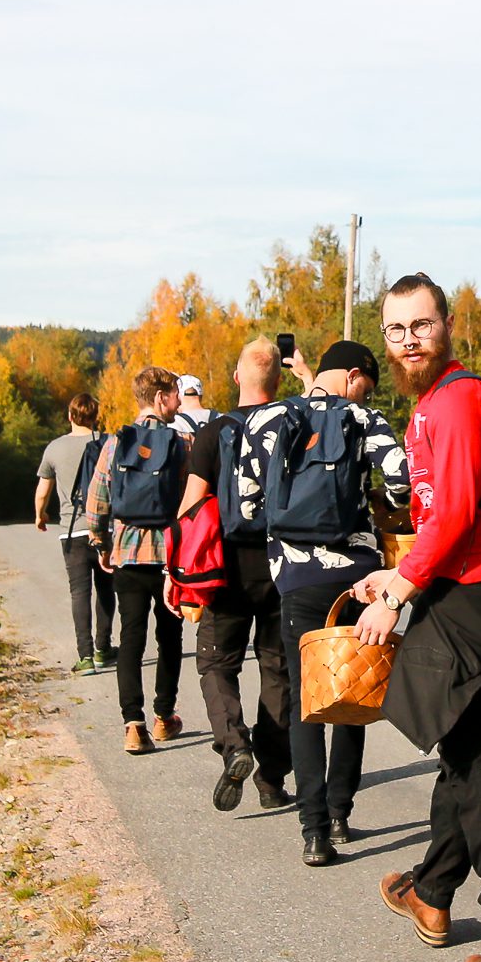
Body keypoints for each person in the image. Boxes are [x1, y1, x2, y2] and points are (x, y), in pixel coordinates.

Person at [362, 273, 481, 962]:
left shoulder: (461, 399)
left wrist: (399, 591)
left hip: (477, 601)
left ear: (447, 325)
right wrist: (395, 575)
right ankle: (431, 892)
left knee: (478, 766)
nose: (410, 340)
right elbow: (442, 516)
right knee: (465, 748)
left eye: (421, 324)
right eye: (396, 330)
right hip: (467, 591)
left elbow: (460, 511)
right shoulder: (433, 404)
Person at [234, 339, 408, 865]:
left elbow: (246, 504)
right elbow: (404, 483)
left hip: (296, 578)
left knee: (308, 699)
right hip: (359, 578)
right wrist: (374, 502)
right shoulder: (364, 417)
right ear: (354, 376)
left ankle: (313, 832)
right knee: (354, 688)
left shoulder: (267, 420)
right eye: (368, 384)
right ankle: (339, 810)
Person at [180, 339, 292, 814]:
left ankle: (234, 744)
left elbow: (190, 507)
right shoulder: (291, 427)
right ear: (277, 382)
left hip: (224, 568)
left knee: (215, 664)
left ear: (235, 377)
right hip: (281, 565)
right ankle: (270, 779)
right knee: (277, 670)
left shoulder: (214, 432)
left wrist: (181, 574)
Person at [85, 366, 193, 755]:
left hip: (128, 556)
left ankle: (133, 724)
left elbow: (97, 499)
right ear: (161, 397)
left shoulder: (116, 444)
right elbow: (194, 499)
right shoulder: (183, 443)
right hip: (170, 558)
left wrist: (100, 543)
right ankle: (165, 716)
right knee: (170, 638)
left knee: (131, 639)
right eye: (175, 394)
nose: (179, 401)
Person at [34, 392, 115, 674]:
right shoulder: (109, 443)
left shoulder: (54, 449)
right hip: (105, 528)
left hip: (71, 531)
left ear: (70, 416)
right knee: (106, 591)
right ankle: (104, 649)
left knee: (79, 592)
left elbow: (43, 491)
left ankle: (85, 657)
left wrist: (39, 516)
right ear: (96, 417)